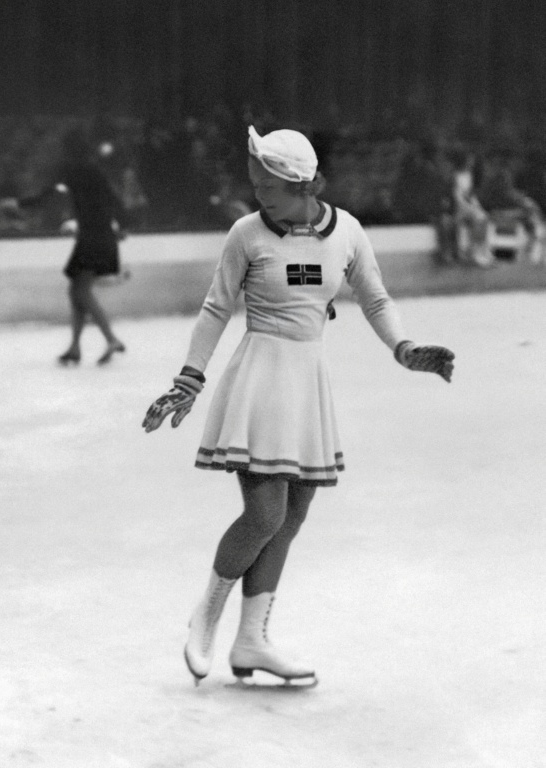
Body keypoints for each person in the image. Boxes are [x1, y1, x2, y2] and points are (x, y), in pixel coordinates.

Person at [142, 126, 455, 687]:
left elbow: (375, 297)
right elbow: (216, 308)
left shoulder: (348, 233)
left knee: (290, 519)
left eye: (270, 186)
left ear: (304, 183)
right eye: (255, 183)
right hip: (259, 380)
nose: (258, 193)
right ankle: (206, 615)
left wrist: (403, 348)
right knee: (264, 514)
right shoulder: (246, 234)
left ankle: (252, 641)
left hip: (308, 380)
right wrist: (190, 378)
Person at [20, 131, 127, 365]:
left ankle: (110, 339)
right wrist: (122, 224)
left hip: (92, 236)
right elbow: (113, 199)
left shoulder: (74, 171)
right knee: (77, 290)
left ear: (70, 150)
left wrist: (21, 204)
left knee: (80, 291)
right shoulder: (94, 171)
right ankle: (75, 347)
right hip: (99, 234)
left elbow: (50, 193)